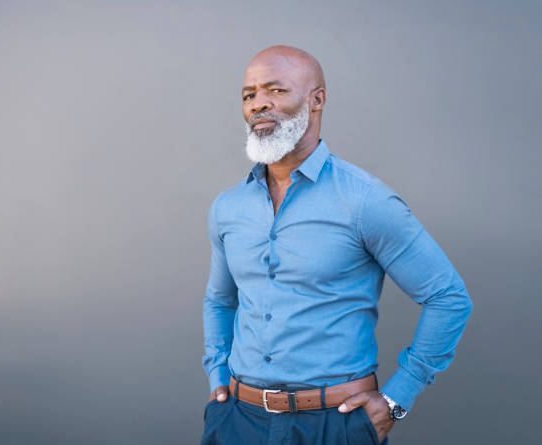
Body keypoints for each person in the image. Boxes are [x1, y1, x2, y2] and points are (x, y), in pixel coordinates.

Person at [201, 45, 472, 445]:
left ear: (317, 100)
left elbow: (448, 297)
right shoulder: (228, 207)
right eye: (249, 94)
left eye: (276, 90)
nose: (259, 104)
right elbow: (220, 301)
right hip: (238, 422)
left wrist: (397, 398)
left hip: (335, 426)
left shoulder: (365, 201)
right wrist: (217, 377)